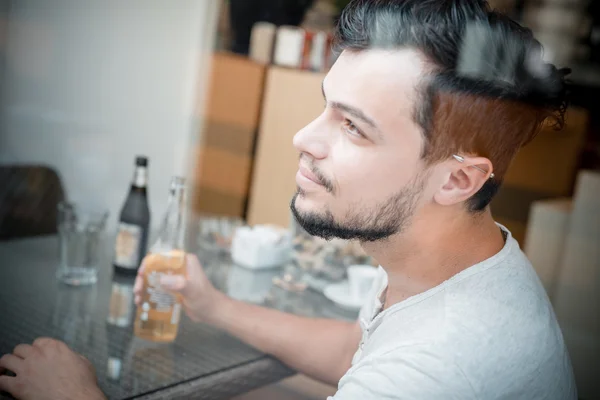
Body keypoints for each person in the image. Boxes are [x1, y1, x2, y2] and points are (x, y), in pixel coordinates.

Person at [0, 0, 577, 399]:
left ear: (457, 181)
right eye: (327, 104)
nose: (304, 138)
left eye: (354, 127)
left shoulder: (436, 370)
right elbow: (359, 350)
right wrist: (215, 306)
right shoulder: (459, 260)